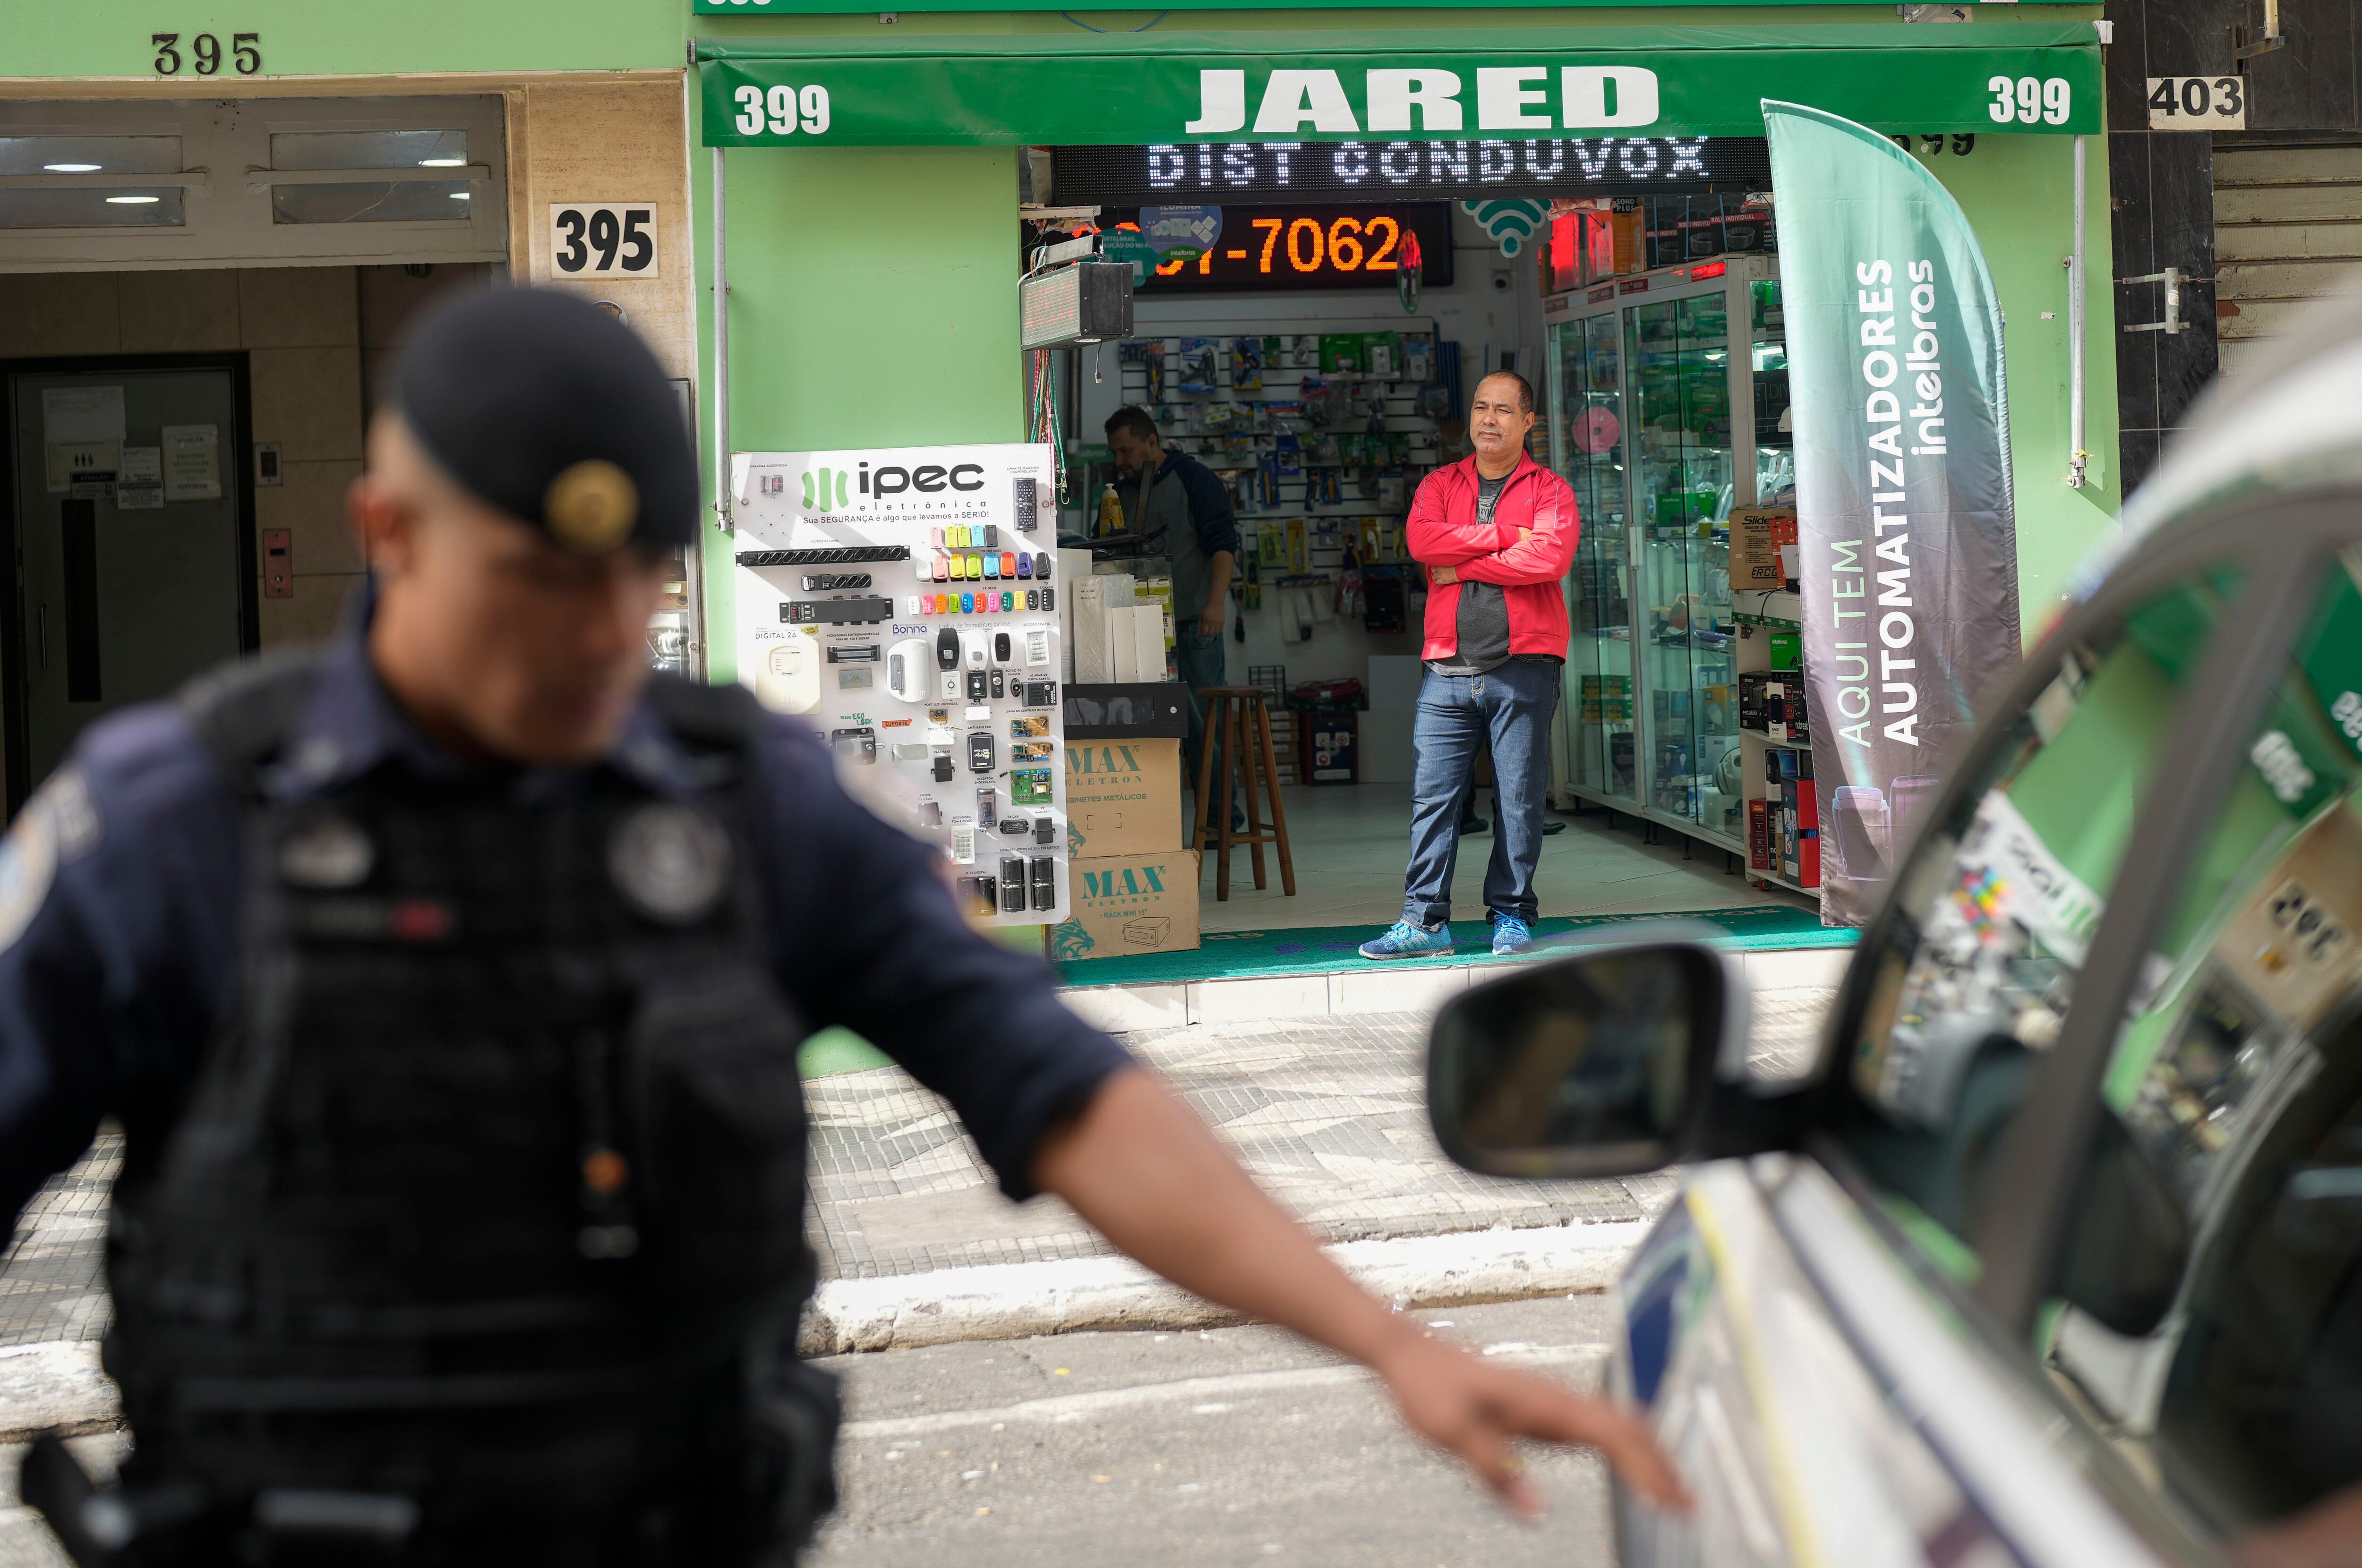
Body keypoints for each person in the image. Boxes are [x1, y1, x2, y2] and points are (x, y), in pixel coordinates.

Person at [0, 290, 1680, 1565]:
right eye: (541, 579)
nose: (602, 631)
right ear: (390, 534)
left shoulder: (747, 810)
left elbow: (1058, 1086)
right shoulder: (175, 824)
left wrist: (1382, 1341)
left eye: (643, 576)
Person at [1362, 371, 1578, 962]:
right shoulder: (1439, 483)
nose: (1489, 419)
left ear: (1527, 422)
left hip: (1524, 664)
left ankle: (1511, 915)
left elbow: (1549, 558)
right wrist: (1507, 537)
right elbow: (1423, 544)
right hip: (1446, 669)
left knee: (1517, 800)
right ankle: (1423, 922)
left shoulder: (1550, 490)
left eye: (1503, 410)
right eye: (1481, 407)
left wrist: (1467, 563)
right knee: (1433, 800)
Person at [1104, 405, 1238, 819]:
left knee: (1204, 729)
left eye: (1127, 450)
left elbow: (1223, 546)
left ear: (1152, 442)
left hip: (1194, 624)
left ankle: (1220, 818)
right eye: (1116, 453)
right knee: (1149, 728)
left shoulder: (1195, 480)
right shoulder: (1120, 492)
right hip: (1141, 629)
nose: (1120, 461)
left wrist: (1214, 605)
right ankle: (1159, 825)